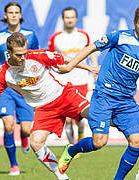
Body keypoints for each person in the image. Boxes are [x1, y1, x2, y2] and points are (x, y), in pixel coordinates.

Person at [57, 5, 139, 179]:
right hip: (104, 96)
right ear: (134, 23)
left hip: (126, 101)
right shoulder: (120, 36)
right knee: (99, 142)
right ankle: (71, 150)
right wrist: (70, 66)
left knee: (137, 142)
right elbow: (91, 47)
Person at [0, 32, 98, 180]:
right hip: (44, 109)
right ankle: (62, 177)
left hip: (64, 95)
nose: (23, 58)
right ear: (8, 53)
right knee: (35, 143)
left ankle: (74, 149)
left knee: (97, 116)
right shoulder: (3, 74)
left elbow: (66, 60)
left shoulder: (37, 55)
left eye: (24, 53)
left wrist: (90, 68)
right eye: (18, 55)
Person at [0, 2, 39, 176]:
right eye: (10, 12)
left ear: (20, 15)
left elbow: (36, 57)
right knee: (8, 125)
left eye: (16, 12)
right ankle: (14, 165)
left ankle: (24, 137)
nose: (13, 15)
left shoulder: (30, 35)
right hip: (5, 87)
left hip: (24, 87)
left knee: (28, 129)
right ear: (5, 16)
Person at [48, 7, 98, 145]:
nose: (69, 20)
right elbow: (50, 58)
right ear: (63, 19)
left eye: (72, 17)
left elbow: (91, 52)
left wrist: (94, 69)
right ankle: (72, 145)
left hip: (81, 80)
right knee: (67, 117)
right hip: (64, 81)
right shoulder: (56, 38)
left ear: (76, 19)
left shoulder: (83, 35)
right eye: (67, 17)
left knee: (81, 116)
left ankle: (81, 134)